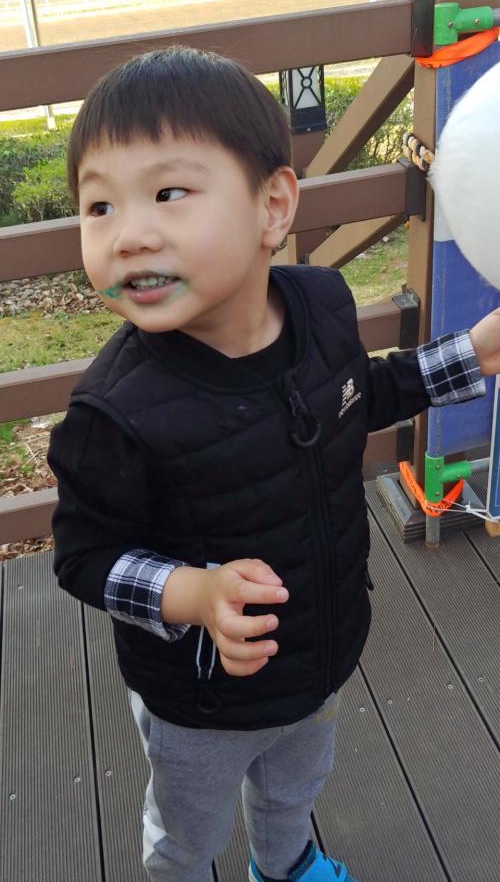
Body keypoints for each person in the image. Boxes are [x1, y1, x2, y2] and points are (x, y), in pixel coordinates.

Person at [48, 46, 500, 882]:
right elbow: (84, 559)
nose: (129, 233)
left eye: (168, 193)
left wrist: (470, 355)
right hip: (200, 697)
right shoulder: (113, 415)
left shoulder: (320, 308)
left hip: (320, 647)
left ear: (273, 207)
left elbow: (357, 393)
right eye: (99, 206)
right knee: (187, 831)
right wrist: (193, 595)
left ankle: (285, 865)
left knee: (295, 788)